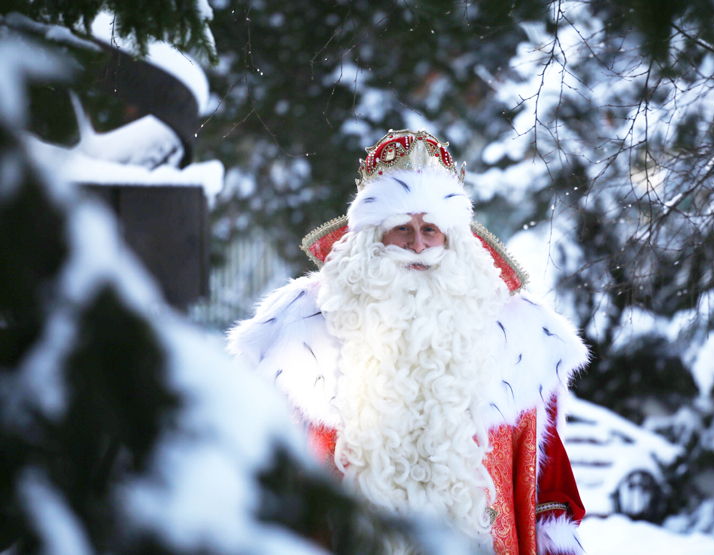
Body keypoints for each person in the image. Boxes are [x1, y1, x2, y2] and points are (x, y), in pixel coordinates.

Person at [227, 129, 588, 555]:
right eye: (402, 228)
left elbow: (549, 485)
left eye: (430, 229)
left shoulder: (518, 336)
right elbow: (266, 467)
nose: (418, 245)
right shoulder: (304, 327)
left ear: (453, 237)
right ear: (371, 236)